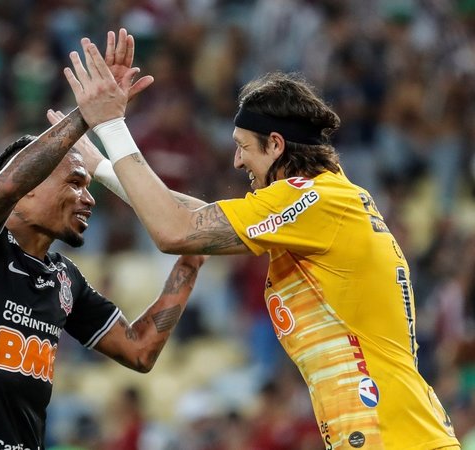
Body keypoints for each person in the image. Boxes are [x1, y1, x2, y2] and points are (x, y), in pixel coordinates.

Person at [63, 34, 461, 449]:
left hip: (393, 435)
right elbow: (196, 218)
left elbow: (177, 230)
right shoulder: (324, 204)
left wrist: (112, 124)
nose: (236, 162)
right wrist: (104, 167)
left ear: (276, 144)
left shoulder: (316, 200)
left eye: (243, 148)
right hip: (396, 431)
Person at [0, 30, 206, 450]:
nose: (88, 198)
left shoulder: (64, 280)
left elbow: (140, 351)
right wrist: (86, 115)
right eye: (75, 182)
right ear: (29, 190)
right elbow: (2, 189)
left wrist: (189, 264)